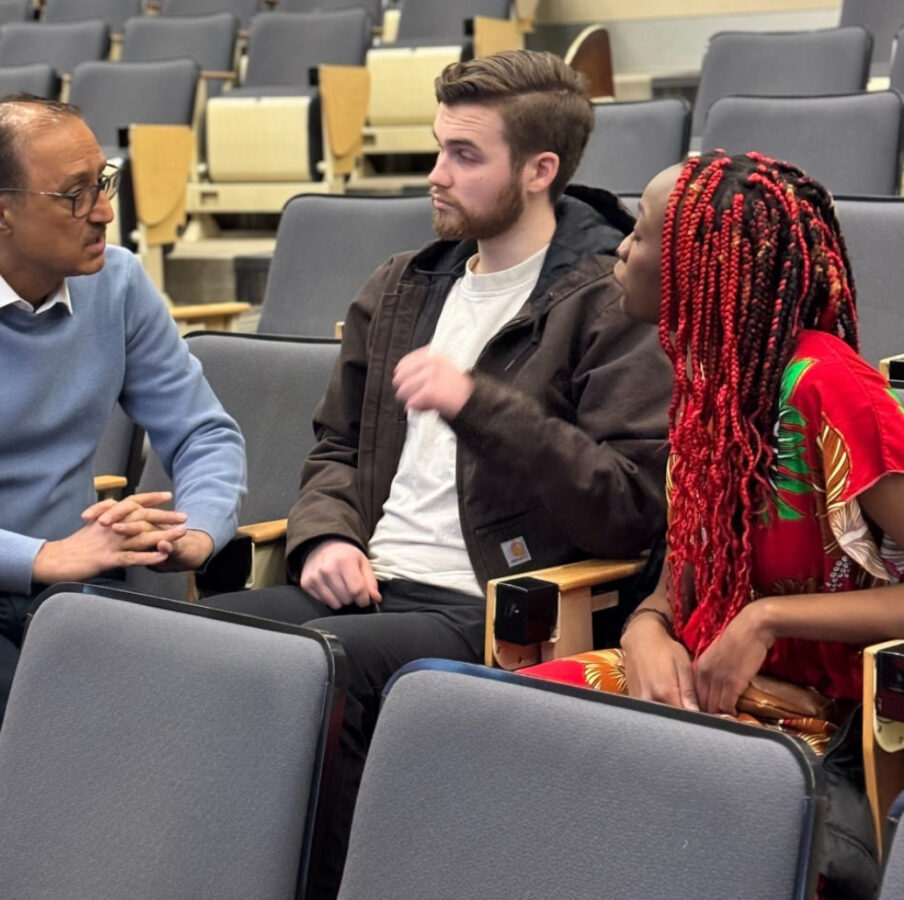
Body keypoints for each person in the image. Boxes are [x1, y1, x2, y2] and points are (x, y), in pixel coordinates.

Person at [203, 49, 671, 895]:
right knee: (187, 643)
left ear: (540, 170)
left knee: (314, 667)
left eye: (464, 155)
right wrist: (323, 538)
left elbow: (630, 508)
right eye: (437, 148)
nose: (436, 175)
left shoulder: (611, 300)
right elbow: (337, 449)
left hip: (496, 604)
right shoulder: (403, 289)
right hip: (366, 580)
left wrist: (479, 403)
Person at [524, 150, 904, 899]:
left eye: (640, 234)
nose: (620, 252)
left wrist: (765, 618)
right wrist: (644, 633)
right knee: (492, 723)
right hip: (708, 691)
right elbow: (676, 587)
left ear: (701, 265)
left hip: (825, 722)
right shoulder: (709, 393)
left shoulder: (830, 388)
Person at [0, 95, 246, 757]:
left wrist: (199, 529)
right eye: (75, 195)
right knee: (51, 744)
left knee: (195, 723)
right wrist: (40, 556)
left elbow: (203, 434)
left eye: (102, 181)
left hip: (79, 587)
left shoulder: (120, 284)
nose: (105, 210)